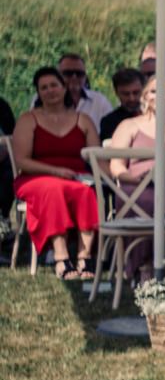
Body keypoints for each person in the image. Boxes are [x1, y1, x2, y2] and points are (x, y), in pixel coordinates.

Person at [104, 76, 165, 278]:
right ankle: (144, 266)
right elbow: (116, 165)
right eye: (153, 91)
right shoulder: (129, 125)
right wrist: (133, 180)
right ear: (145, 96)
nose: (160, 96)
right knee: (147, 200)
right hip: (138, 186)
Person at [12, 66, 100, 279]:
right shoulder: (28, 119)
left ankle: (84, 257)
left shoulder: (83, 119)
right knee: (53, 188)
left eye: (54, 85)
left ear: (64, 88)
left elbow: (95, 156)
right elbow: (21, 160)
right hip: (35, 177)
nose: (49, 91)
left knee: (86, 192)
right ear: (38, 93)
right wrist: (54, 171)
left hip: (75, 177)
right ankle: (61, 258)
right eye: (43, 87)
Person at [57, 53, 113, 131]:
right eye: (68, 73)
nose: (74, 77)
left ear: (85, 76)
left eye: (79, 74)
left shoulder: (99, 101)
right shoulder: (43, 99)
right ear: (57, 75)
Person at [97, 67, 146, 142]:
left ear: (144, 90)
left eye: (136, 93)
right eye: (126, 94)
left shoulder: (156, 117)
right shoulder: (109, 122)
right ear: (116, 93)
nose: (131, 98)